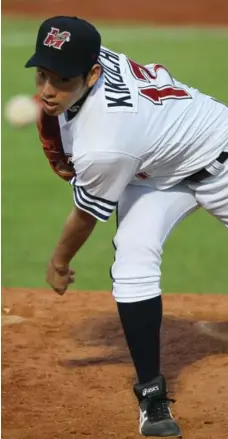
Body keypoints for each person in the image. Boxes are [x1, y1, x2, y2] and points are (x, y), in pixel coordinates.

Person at [25, 15, 228, 438]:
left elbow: (84, 217)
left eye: (61, 80)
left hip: (217, 159)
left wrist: (59, 263)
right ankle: (152, 397)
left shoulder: (105, 144)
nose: (47, 90)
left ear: (92, 72)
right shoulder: (95, 59)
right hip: (152, 170)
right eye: (42, 74)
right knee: (134, 259)